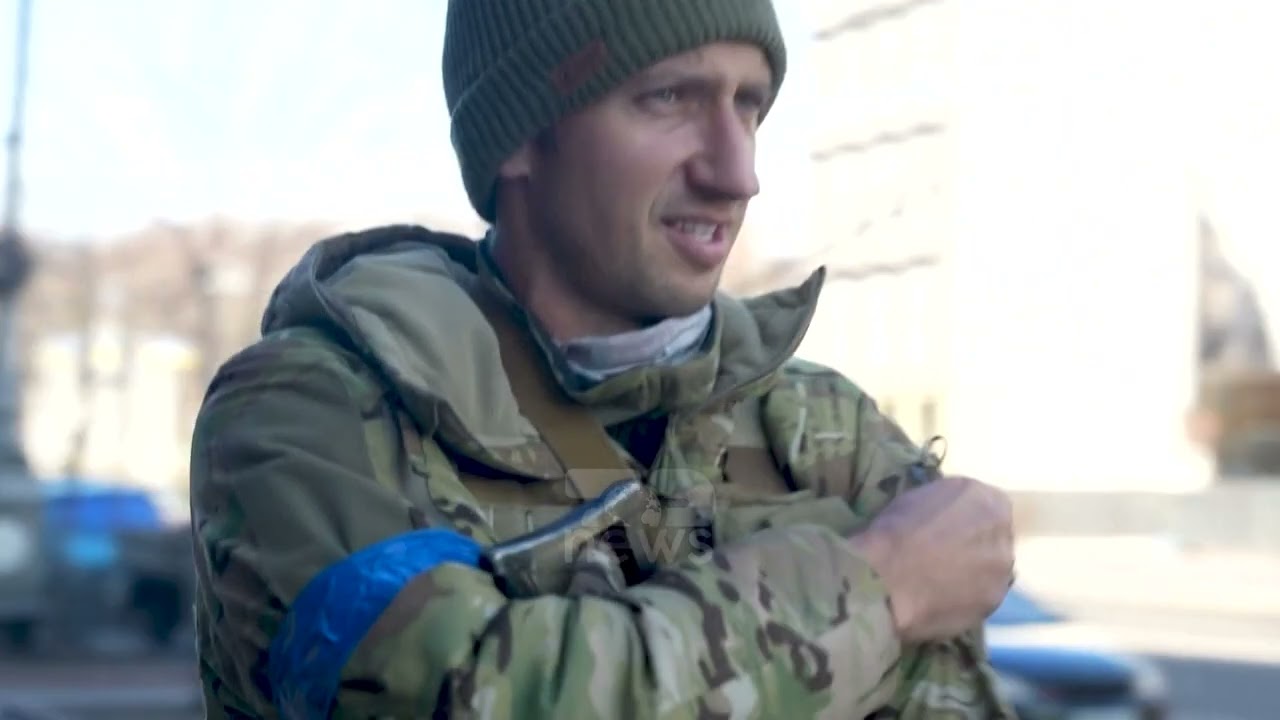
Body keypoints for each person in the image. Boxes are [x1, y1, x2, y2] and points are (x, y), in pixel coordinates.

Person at [189, 0, 1018, 717]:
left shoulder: (820, 426)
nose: (736, 173)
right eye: (669, 98)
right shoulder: (305, 416)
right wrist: (879, 588)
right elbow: (468, 697)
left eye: (749, 106)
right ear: (520, 136)